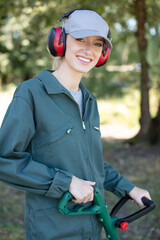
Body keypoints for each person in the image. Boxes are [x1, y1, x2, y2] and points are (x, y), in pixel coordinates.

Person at [0, 9, 151, 240]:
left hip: (92, 227)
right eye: (80, 39)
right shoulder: (31, 94)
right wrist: (67, 183)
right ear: (59, 41)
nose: (88, 50)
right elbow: (5, 159)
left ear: (104, 53)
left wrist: (128, 188)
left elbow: (91, 163)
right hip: (53, 230)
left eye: (97, 44)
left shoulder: (90, 101)